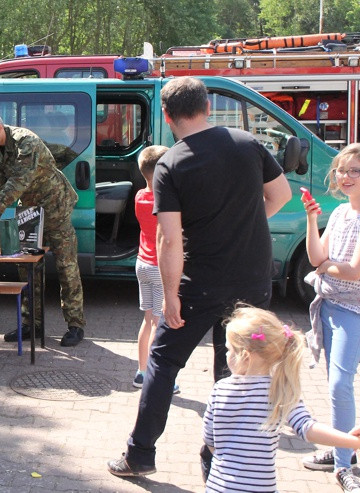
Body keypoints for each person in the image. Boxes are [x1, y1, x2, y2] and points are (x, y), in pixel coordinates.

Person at [107, 76, 291, 477]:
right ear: (207, 107)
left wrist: (170, 295)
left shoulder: (172, 163)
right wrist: (243, 225)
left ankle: (139, 455)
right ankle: (224, 455)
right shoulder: (248, 144)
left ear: (168, 116)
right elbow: (280, 196)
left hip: (200, 284)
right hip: (253, 281)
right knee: (238, 368)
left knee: (163, 360)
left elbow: (169, 239)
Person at [202, 305, 360, 492]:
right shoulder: (280, 391)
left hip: (218, 486)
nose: (226, 355)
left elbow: (209, 440)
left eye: (229, 350)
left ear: (245, 356)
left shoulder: (220, 389)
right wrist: (355, 441)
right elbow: (308, 428)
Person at [0, 110, 85, 347]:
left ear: (0, 128)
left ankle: (75, 326)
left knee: (67, 266)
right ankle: (31, 324)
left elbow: (19, 181)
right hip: (30, 212)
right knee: (27, 268)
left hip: (56, 207)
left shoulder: (27, 141)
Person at [300, 143, 360, 491]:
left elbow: (355, 270)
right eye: (341, 170)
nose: (345, 176)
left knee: (341, 385)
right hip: (327, 306)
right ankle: (344, 449)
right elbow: (316, 257)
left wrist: (326, 267)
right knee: (335, 387)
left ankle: (345, 467)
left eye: (355, 170)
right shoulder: (341, 213)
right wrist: (312, 218)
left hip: (355, 311)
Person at [132, 145, 178, 393]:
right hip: (160, 269)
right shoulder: (167, 202)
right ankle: (156, 378)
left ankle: (141, 372)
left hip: (142, 264)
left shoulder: (140, 196)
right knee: (161, 326)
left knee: (148, 320)